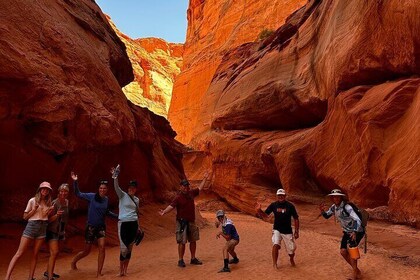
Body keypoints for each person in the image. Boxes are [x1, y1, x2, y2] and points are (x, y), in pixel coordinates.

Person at [70, 172, 117, 277]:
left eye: (104, 188)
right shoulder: (91, 196)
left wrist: (118, 217)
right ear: (98, 189)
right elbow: (78, 194)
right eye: (101, 188)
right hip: (90, 227)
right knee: (86, 251)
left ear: (107, 190)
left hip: (101, 227)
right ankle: (74, 261)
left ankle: (99, 272)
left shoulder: (106, 200)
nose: (102, 190)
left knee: (102, 247)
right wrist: (75, 181)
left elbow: (106, 212)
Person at [158, 173, 209, 267]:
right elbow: (171, 206)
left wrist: (205, 178)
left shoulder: (191, 193)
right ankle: (180, 260)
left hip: (191, 221)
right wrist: (164, 212)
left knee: (193, 240)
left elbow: (200, 188)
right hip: (181, 222)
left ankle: (193, 258)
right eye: (184, 186)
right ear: (180, 187)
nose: (186, 187)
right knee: (182, 241)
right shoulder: (178, 197)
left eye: (187, 186)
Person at [5, 181, 54, 280]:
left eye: (47, 189)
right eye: (43, 188)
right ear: (40, 190)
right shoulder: (32, 200)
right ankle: (7, 278)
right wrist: (34, 210)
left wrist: (49, 212)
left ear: (49, 192)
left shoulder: (47, 203)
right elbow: (25, 217)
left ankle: (30, 277)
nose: (45, 190)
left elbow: (44, 217)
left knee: (35, 254)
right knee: (19, 253)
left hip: (42, 227)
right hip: (32, 226)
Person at [319, 189, 365, 280]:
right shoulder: (334, 207)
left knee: (352, 250)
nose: (335, 198)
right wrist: (322, 211)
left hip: (357, 231)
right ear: (332, 198)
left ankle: (354, 275)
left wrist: (354, 231)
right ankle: (356, 270)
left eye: (337, 196)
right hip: (347, 232)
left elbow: (357, 220)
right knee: (343, 252)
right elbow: (327, 216)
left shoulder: (347, 207)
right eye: (334, 196)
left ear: (341, 197)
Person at [255, 188, 299, 269]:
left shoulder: (290, 206)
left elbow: (296, 218)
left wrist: (296, 231)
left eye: (282, 195)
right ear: (277, 196)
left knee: (291, 250)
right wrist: (259, 210)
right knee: (275, 244)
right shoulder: (273, 205)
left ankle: (291, 258)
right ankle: (275, 264)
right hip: (277, 229)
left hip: (287, 231)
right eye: (279, 195)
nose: (280, 197)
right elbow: (266, 215)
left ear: (285, 196)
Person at [110, 165, 141, 277]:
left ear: (136, 189)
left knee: (129, 248)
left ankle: (125, 270)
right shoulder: (122, 195)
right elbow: (116, 186)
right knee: (123, 248)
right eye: (130, 187)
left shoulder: (137, 200)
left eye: (133, 187)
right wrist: (115, 177)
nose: (131, 189)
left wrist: (139, 227)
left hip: (133, 224)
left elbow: (137, 214)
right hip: (123, 223)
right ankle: (120, 270)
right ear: (128, 188)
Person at [44, 183, 70, 280]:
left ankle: (48, 272)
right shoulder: (54, 203)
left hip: (60, 230)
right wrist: (56, 215)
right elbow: (47, 219)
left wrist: (64, 230)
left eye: (65, 191)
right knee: (54, 252)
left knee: (54, 253)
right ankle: (50, 277)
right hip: (51, 230)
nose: (63, 193)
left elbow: (66, 218)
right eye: (62, 191)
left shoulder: (66, 202)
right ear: (59, 192)